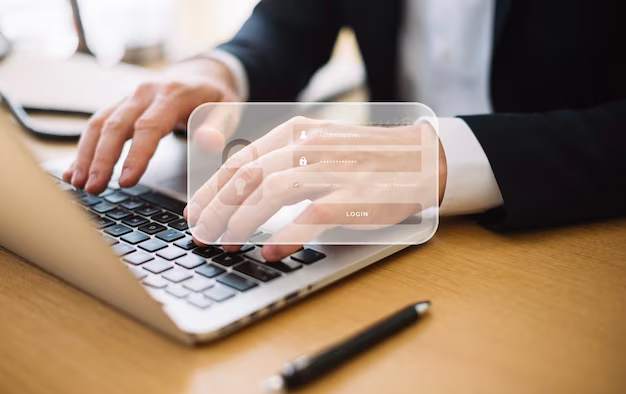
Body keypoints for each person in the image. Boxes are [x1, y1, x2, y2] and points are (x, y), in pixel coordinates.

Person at [63, 0, 626, 260]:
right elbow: (292, 22)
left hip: (570, 238)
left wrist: (442, 156)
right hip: (380, 227)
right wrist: (221, 68)